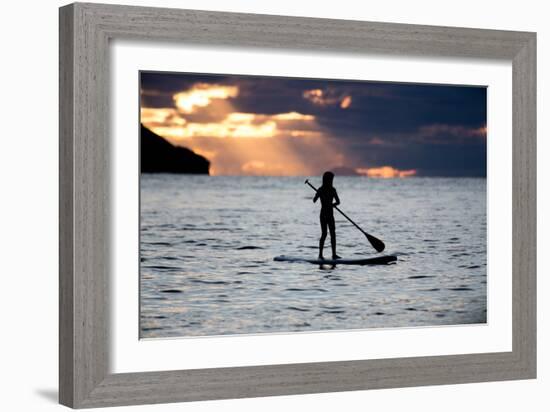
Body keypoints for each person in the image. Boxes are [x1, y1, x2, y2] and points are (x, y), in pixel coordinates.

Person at [313, 171, 341, 260]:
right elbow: (314, 200)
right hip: (323, 215)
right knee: (324, 234)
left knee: (333, 234)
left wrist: (333, 204)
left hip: (330, 214)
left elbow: (338, 202)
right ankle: (320, 255)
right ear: (326, 180)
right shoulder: (320, 189)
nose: (332, 181)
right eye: (331, 179)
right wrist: (317, 194)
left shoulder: (333, 190)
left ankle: (334, 254)